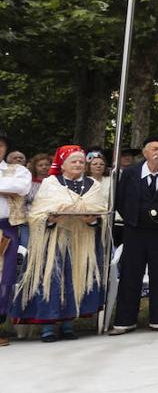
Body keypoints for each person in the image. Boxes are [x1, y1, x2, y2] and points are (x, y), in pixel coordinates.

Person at [11, 145, 108, 342]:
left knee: (76, 279)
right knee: (52, 281)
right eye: (74, 161)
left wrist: (93, 220)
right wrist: (50, 219)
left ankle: (68, 324)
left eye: (82, 161)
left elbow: (102, 211)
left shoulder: (93, 185)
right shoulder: (50, 183)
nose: (79, 164)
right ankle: (47, 326)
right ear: (62, 165)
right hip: (54, 241)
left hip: (83, 242)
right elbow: (36, 213)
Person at [109, 135, 158, 335]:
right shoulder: (130, 173)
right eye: (155, 149)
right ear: (145, 153)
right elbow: (120, 200)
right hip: (134, 231)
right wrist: (133, 218)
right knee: (130, 275)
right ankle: (125, 321)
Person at [0, 132, 33, 346]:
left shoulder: (17, 170)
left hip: (5, 229)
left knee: (4, 277)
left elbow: (20, 187)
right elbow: (9, 187)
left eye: (1, 146)